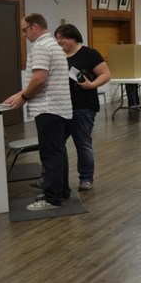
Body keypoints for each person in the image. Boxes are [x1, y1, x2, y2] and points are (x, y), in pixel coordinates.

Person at [3, 13, 72, 211]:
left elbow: (40, 79)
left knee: (50, 154)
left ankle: (51, 199)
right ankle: (61, 191)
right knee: (58, 152)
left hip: (49, 109)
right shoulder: (54, 45)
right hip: (60, 108)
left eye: (25, 30)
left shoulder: (41, 46)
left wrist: (24, 98)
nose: (24, 34)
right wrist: (21, 93)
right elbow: (43, 80)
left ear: (34, 26)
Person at [54, 24, 111, 191]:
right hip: (61, 107)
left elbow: (106, 74)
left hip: (83, 107)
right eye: (57, 38)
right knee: (56, 143)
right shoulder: (58, 56)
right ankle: (51, 177)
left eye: (61, 38)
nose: (59, 41)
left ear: (73, 38)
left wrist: (91, 85)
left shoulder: (89, 54)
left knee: (83, 143)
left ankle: (86, 178)